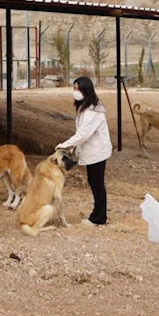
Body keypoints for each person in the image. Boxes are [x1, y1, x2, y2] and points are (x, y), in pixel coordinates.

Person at [55, 77, 112, 226]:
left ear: (86, 90)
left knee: (96, 183)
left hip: (97, 152)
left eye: (78, 89)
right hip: (93, 151)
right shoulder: (86, 107)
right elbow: (82, 133)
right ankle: (98, 213)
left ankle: (99, 218)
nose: (76, 92)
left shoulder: (93, 111)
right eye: (74, 89)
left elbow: (83, 134)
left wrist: (64, 145)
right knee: (94, 182)